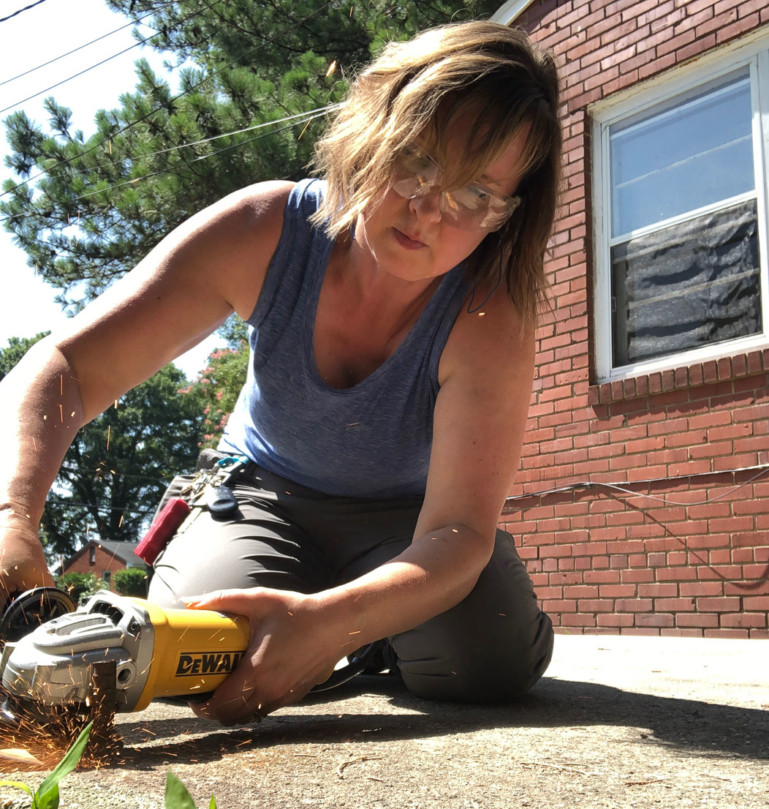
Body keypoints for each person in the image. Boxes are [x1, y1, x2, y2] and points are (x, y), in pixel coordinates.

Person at [0, 21, 561, 726]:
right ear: (370, 124)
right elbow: (65, 367)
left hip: (412, 520)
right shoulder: (264, 230)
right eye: (415, 161)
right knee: (185, 659)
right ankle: (343, 621)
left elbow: (457, 534)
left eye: (473, 194)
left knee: (486, 663)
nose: (426, 210)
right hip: (262, 495)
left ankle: (366, 637)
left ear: (507, 218)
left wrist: (329, 625)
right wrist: (11, 514)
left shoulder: (490, 317)